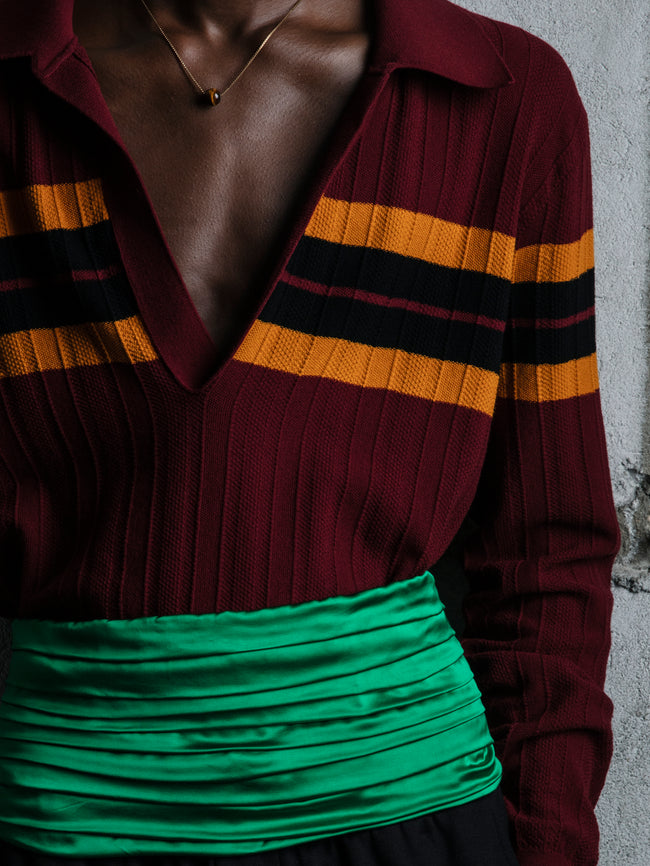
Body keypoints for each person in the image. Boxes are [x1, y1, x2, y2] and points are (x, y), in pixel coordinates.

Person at [0, 0, 620, 864]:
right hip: (53, 822)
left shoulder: (503, 100)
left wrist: (548, 847)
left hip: (411, 828)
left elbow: (547, 548)